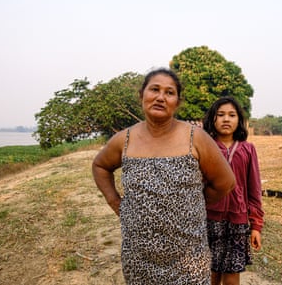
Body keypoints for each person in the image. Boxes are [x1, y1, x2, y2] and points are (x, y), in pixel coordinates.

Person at [92, 68, 236, 284]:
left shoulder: (195, 138)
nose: (160, 97)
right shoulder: (125, 139)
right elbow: (100, 166)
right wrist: (115, 202)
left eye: (169, 93)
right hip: (139, 257)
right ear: (142, 95)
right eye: (154, 90)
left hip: (189, 259)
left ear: (177, 102)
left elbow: (225, 182)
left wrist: (193, 204)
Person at [202, 96, 264, 285]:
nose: (226, 119)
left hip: (237, 221)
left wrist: (256, 226)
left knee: (232, 274)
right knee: (209, 272)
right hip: (208, 219)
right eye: (220, 115)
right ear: (212, 119)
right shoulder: (205, 146)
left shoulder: (248, 149)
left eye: (232, 115)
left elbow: (254, 189)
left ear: (239, 120)